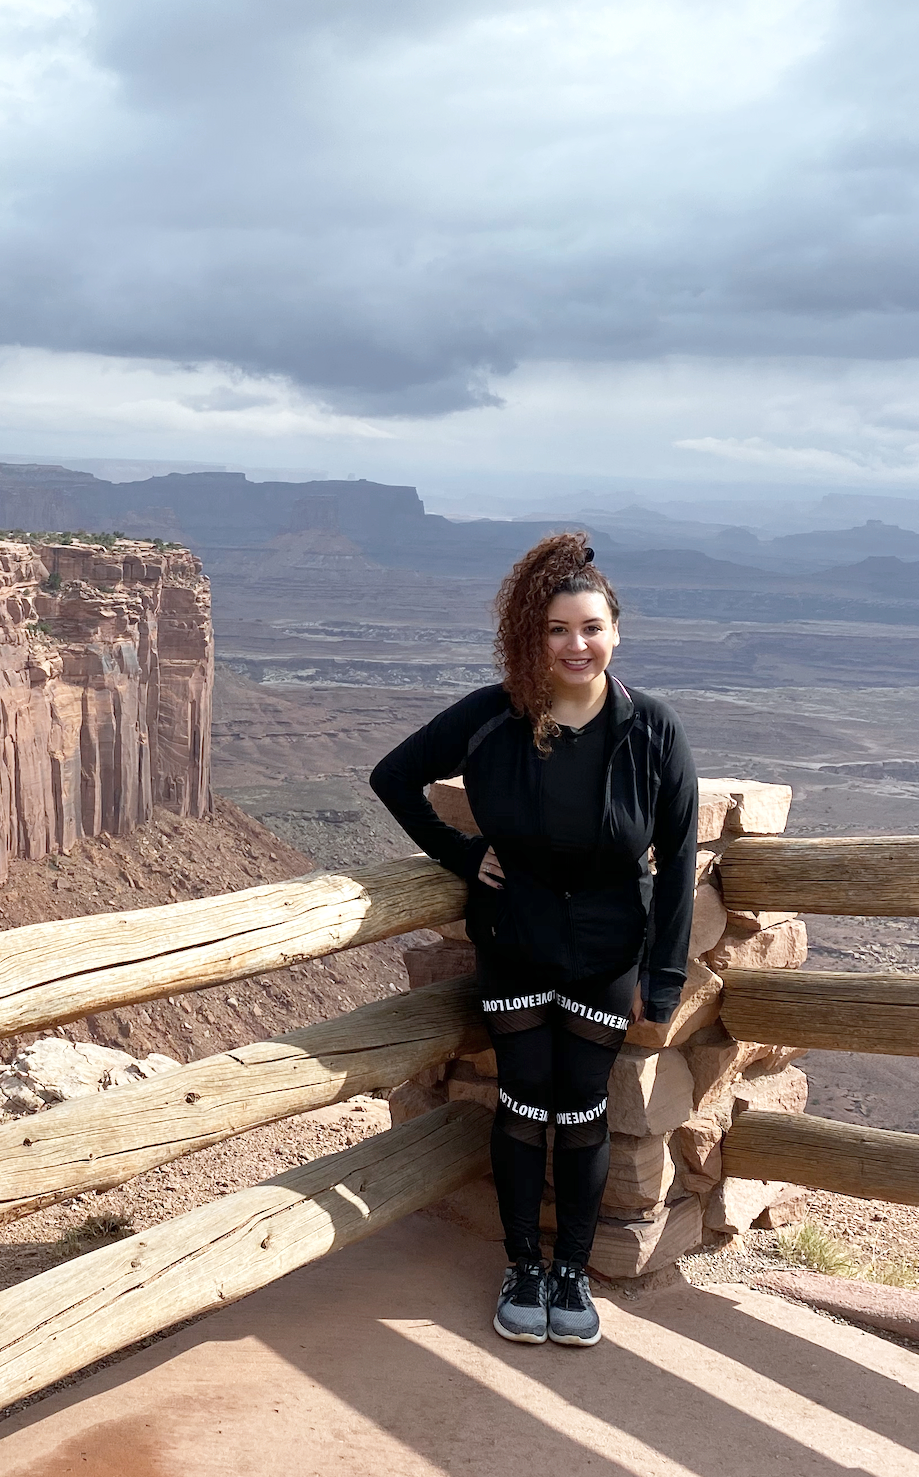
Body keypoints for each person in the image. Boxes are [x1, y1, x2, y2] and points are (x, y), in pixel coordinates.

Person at [369, 531, 697, 1348]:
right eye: (556, 628)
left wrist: (661, 983)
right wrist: (464, 852)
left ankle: (572, 1273)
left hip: (604, 956)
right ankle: (522, 1264)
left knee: (582, 1110)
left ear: (615, 632)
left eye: (590, 627)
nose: (575, 645)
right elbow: (392, 776)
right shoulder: (495, 716)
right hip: (514, 943)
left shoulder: (653, 730)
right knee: (521, 1104)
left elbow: (681, 860)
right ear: (532, 636)